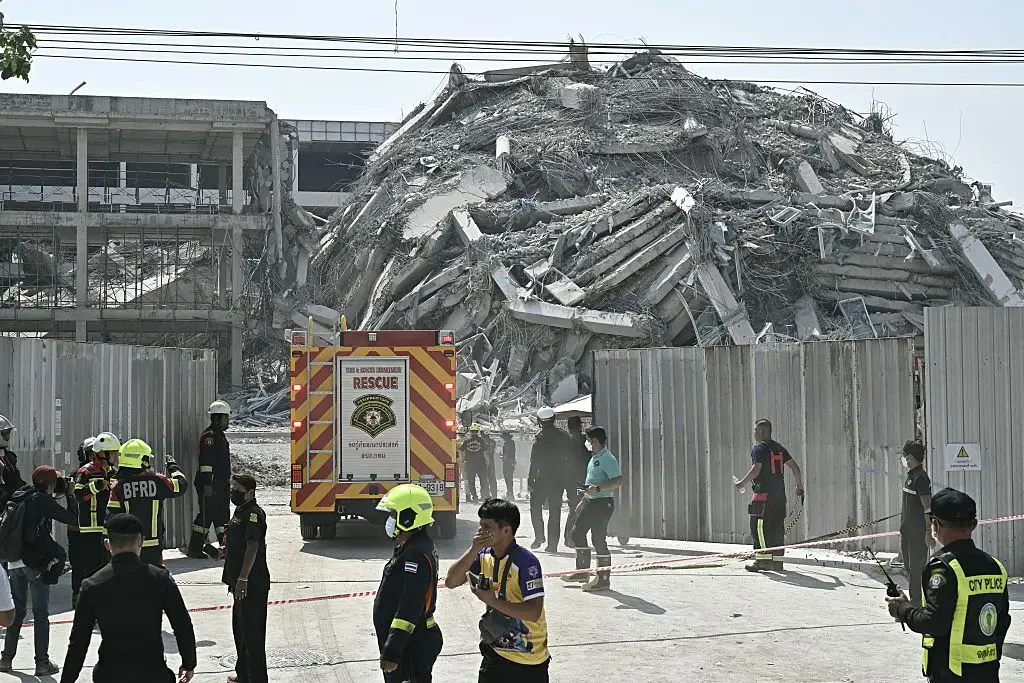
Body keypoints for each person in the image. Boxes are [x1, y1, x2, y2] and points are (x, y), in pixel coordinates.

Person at [886, 488, 1011, 682]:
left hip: (951, 673)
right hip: (988, 672)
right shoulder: (996, 567)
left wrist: (904, 609)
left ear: (935, 526)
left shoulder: (943, 568)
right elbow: (1002, 621)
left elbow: (935, 622)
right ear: (975, 524)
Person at [61, 513, 196, 683]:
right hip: (153, 674)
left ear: (107, 544)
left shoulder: (92, 584)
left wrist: (67, 680)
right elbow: (182, 624)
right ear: (141, 541)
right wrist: (189, 663)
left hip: (110, 674)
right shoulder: (160, 578)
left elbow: (79, 641)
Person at [445, 499, 550, 683]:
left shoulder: (526, 562)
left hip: (529, 660)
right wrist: (473, 548)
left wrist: (492, 601)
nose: (480, 531)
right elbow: (451, 581)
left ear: (506, 530)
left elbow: (534, 613)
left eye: (487, 526)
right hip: (494, 653)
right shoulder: (483, 554)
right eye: (480, 526)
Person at [0, 465, 78, 676]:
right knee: (41, 613)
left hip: (14, 561)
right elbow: (71, 518)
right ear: (51, 484)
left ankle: (6, 659)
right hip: (35, 563)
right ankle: (42, 662)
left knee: (17, 612)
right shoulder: (43, 500)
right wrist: (71, 496)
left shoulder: (21, 494)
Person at [373, 483, 443, 683]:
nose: (390, 520)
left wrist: (393, 651)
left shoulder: (415, 554)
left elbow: (409, 605)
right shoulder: (412, 546)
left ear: (408, 518)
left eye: (394, 515)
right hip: (410, 641)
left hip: (411, 645)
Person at [733, 419, 804, 572]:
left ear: (762, 432)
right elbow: (795, 468)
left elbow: (756, 469)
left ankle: (762, 562)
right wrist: (799, 487)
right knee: (777, 528)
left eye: (755, 431)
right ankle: (777, 563)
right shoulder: (780, 448)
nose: (754, 434)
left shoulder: (759, 448)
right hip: (780, 497)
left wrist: (741, 484)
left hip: (763, 497)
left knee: (758, 527)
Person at [107, 438, 189, 566]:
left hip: (128, 545)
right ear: (143, 460)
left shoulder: (118, 485)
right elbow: (181, 485)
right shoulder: (158, 480)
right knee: (153, 580)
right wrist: (173, 468)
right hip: (153, 545)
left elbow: (112, 516)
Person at [562, 426, 622, 592]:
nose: (587, 443)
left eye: (588, 440)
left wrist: (597, 489)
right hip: (592, 502)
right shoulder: (594, 457)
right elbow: (591, 482)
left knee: (598, 539)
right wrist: (585, 499)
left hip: (602, 503)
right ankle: (582, 572)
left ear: (595, 441)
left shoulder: (607, 458)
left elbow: (618, 481)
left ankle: (603, 579)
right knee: (577, 533)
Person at [222, 473, 270, 683]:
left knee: (253, 635)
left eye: (239, 491)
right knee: (240, 633)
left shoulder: (253, 514)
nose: (234, 493)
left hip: (252, 582)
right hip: (239, 582)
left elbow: (252, 546)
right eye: (233, 488)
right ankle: (244, 675)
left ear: (251, 493)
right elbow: (238, 544)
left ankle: (257, 679)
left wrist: (243, 579)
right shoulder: (239, 512)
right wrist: (222, 551)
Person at [69, 431, 119, 607]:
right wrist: (97, 485)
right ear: (103, 454)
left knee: (105, 566)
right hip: (90, 527)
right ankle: (85, 603)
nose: (116, 457)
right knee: (90, 567)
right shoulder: (85, 471)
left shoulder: (113, 472)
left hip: (106, 526)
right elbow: (78, 495)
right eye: (113, 453)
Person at [187, 400, 233, 559]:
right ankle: (194, 547)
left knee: (222, 516)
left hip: (220, 484)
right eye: (226, 418)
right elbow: (206, 463)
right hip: (211, 484)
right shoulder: (210, 437)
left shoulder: (219, 436)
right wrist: (207, 484)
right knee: (206, 515)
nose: (228, 422)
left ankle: (225, 546)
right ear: (217, 418)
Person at [528, 407, 572, 553]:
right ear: (554, 419)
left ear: (540, 421)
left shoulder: (539, 438)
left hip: (542, 477)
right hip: (559, 478)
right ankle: (552, 545)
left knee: (535, 507)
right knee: (555, 511)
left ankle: (539, 536)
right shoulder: (564, 436)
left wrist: (531, 480)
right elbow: (570, 459)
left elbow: (534, 462)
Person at [900, 440, 934, 606]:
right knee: (908, 568)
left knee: (916, 571)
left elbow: (927, 507)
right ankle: (916, 602)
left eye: (905, 455)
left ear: (911, 457)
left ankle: (916, 605)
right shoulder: (911, 476)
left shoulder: (921, 478)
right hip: (907, 532)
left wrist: (929, 532)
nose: (903, 458)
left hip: (917, 534)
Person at [563, 417, 589, 548]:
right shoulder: (580, 439)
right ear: (578, 426)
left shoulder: (566, 440)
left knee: (573, 507)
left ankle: (568, 538)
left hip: (570, 479)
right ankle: (571, 538)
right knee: (577, 508)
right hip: (580, 479)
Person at [461, 424, 491, 503]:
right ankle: (485, 497)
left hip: (470, 464)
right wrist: (488, 462)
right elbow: (486, 452)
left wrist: (462, 459)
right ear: (477, 432)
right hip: (481, 464)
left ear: (471, 432)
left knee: (471, 482)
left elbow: (461, 450)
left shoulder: (467, 441)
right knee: (483, 481)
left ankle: (475, 497)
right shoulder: (481, 440)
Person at [0, 414, 26, 505]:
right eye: (4, 433)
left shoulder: (10, 457)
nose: (7, 436)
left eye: (8, 433)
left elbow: (17, 481)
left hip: (10, 505)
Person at [500, 432, 517, 501]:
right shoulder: (512, 442)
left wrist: (502, 457)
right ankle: (510, 494)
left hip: (508, 462)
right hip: (511, 461)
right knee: (509, 478)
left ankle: (510, 494)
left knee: (508, 478)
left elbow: (506, 455)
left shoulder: (507, 444)